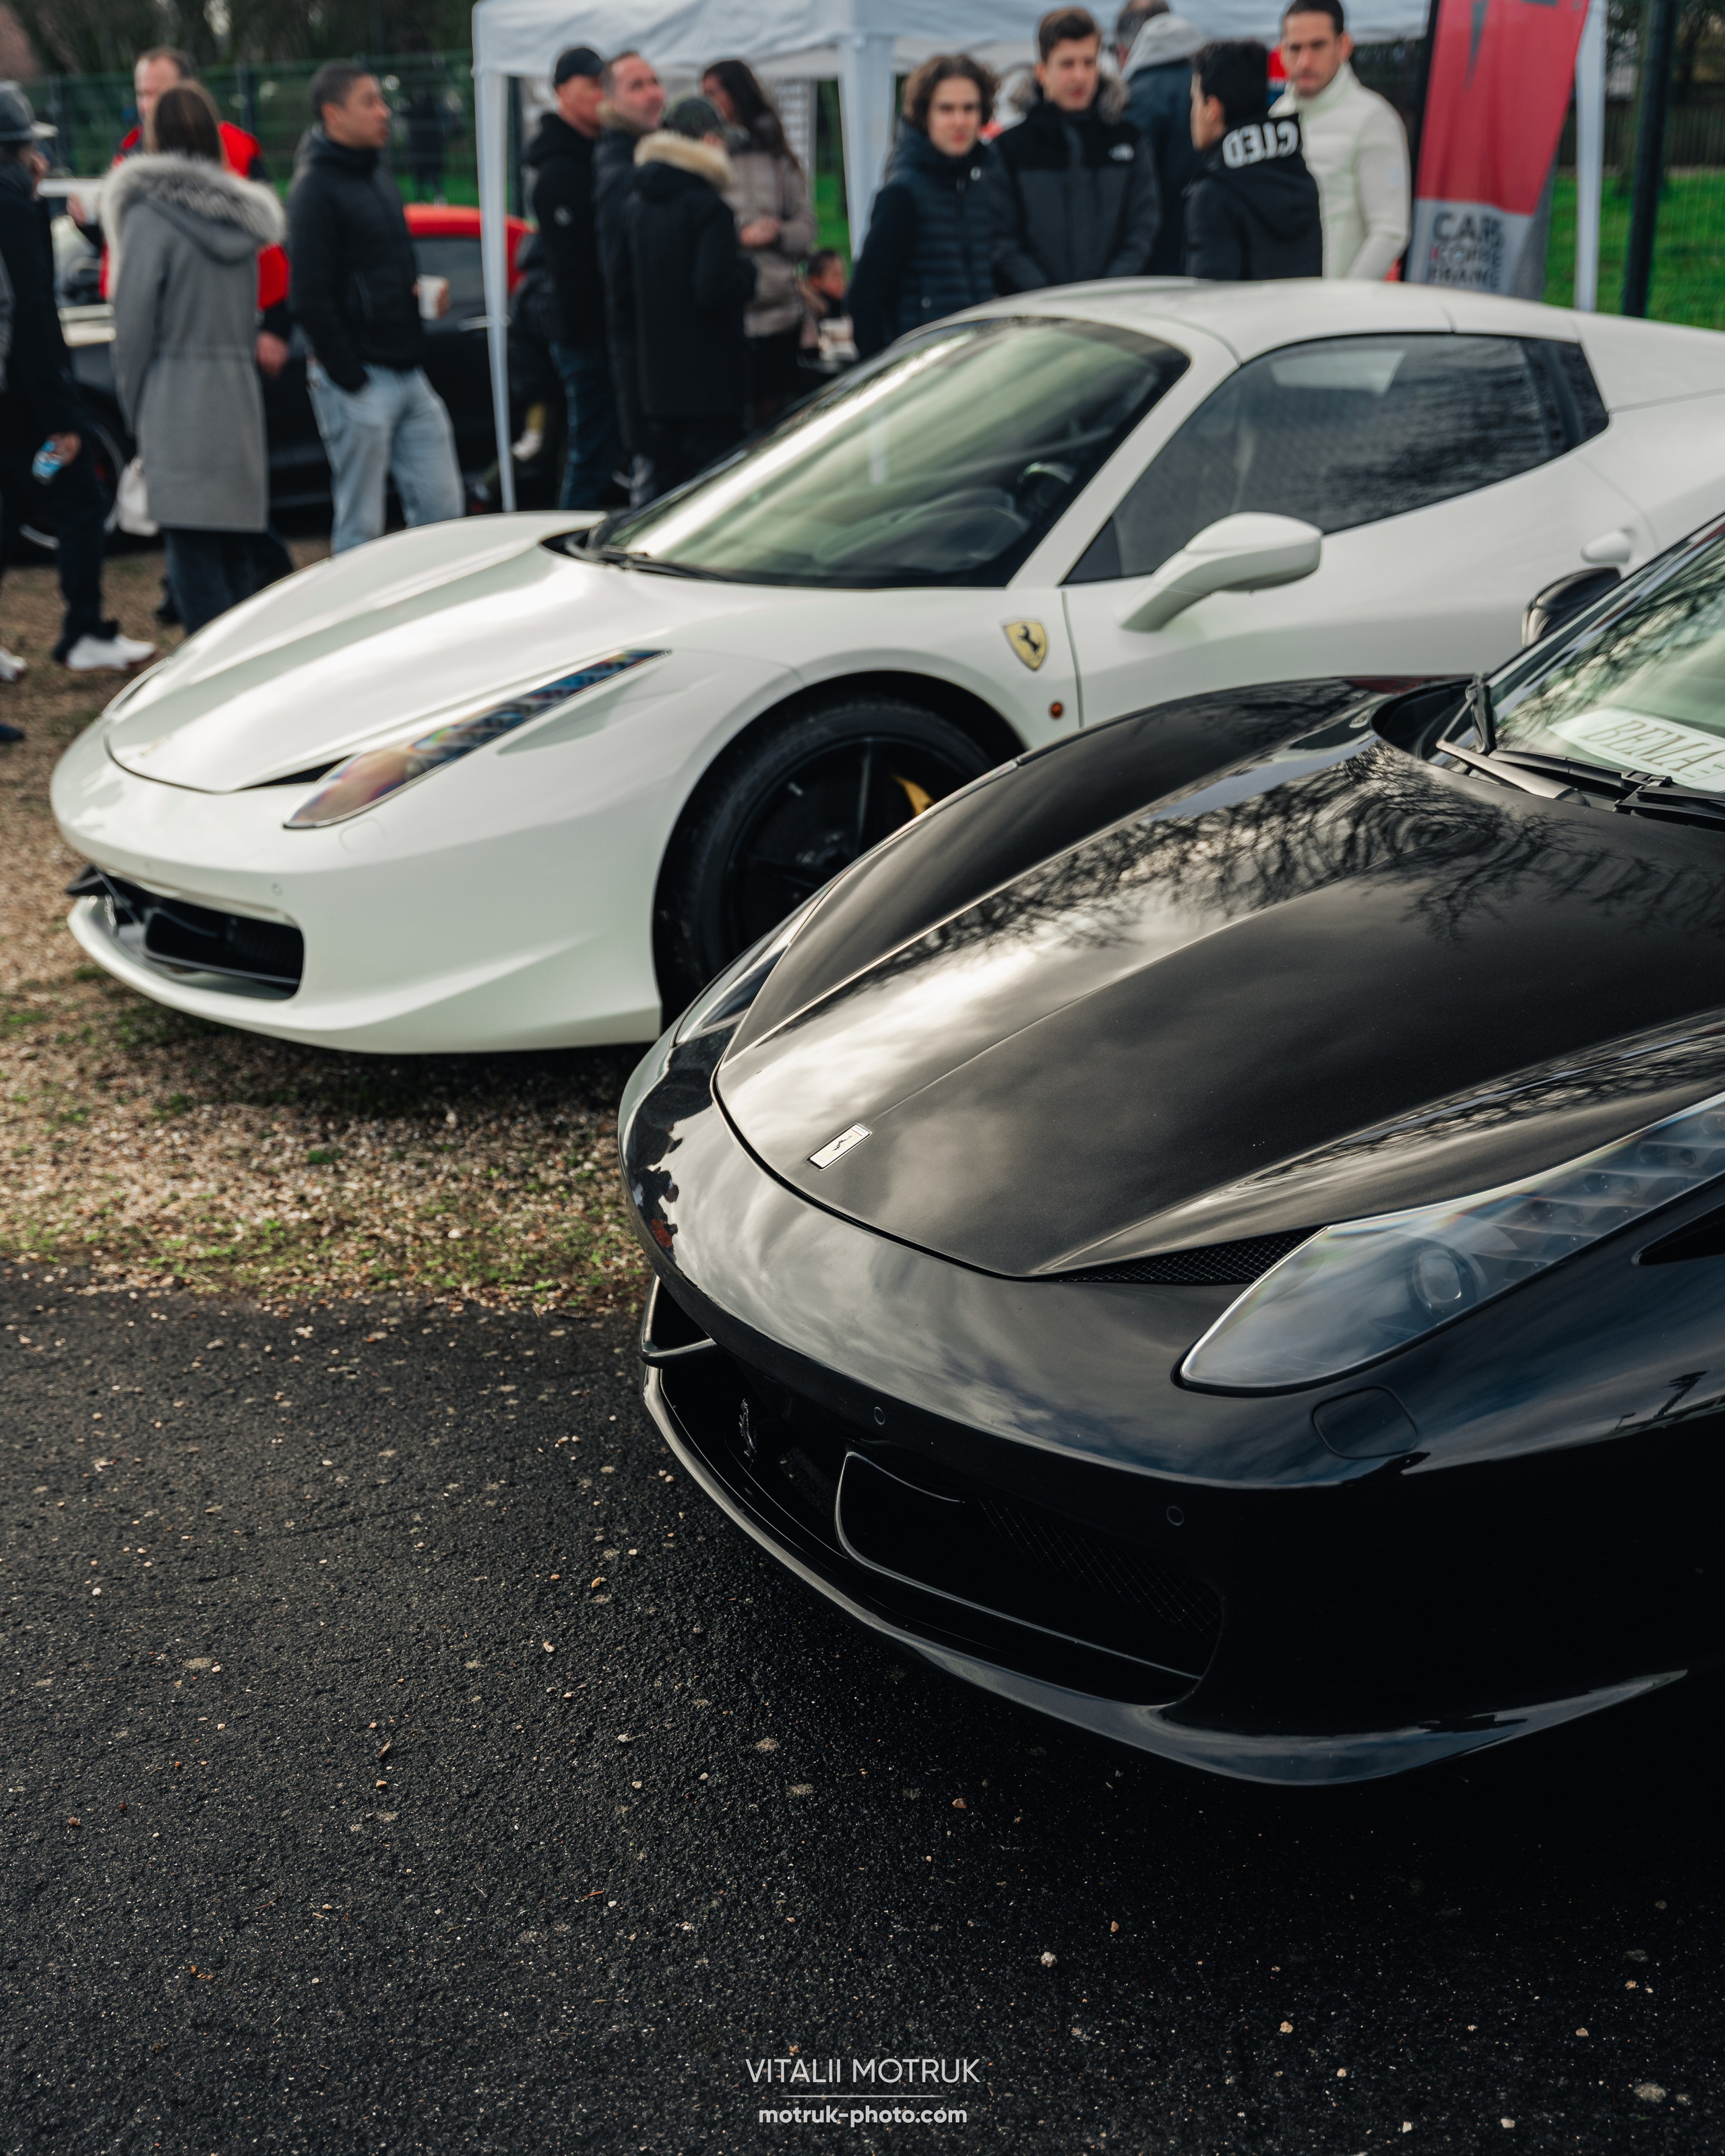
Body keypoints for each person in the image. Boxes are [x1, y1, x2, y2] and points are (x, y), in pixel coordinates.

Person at [107, 83, 284, 635]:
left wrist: (133, 410)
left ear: (155, 139)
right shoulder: (243, 223)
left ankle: (209, 691)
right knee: (234, 556)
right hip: (236, 400)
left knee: (191, 561)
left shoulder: (147, 217)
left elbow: (133, 327)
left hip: (174, 399)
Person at [0, 84, 154, 678]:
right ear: (18, 149)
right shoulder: (14, 208)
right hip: (30, 407)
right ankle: (84, 631)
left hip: (11, 404)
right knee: (80, 498)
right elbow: (33, 314)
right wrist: (63, 420)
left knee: (12, 506)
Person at [288, 63, 464, 554]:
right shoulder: (313, 191)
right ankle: (357, 624)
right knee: (361, 526)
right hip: (359, 379)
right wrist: (350, 376)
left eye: (382, 101)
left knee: (443, 509)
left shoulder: (379, 177)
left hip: (409, 372)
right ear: (333, 114)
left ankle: (431, 615)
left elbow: (380, 270)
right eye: (369, 102)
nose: (384, 112)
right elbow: (308, 294)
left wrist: (416, 293)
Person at [610, 96, 755, 499]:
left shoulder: (635, 205)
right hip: (710, 386)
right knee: (712, 495)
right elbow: (713, 287)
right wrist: (747, 273)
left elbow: (620, 296)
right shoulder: (709, 208)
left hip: (654, 387)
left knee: (667, 500)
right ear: (709, 141)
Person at [988, 7, 1161, 293]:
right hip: (1031, 312)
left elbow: (1143, 228)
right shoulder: (1009, 149)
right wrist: (1045, 295)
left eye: (1088, 63)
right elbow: (1001, 238)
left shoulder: (1128, 140)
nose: (1079, 76)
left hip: (1115, 308)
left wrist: (1105, 292)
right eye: (1067, 64)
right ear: (1042, 71)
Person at [848, 55, 997, 360]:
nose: (960, 121)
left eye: (969, 108)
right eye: (946, 109)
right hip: (924, 373)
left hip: (980, 363)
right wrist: (886, 374)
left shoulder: (982, 183)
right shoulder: (904, 191)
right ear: (924, 115)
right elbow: (865, 295)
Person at [525, 45, 618, 510]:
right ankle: (570, 532)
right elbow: (574, 269)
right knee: (591, 451)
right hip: (583, 335)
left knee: (599, 446)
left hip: (598, 330)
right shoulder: (559, 169)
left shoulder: (596, 153)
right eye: (591, 85)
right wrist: (598, 337)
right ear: (562, 91)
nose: (602, 96)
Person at [700, 60, 815, 427]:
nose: (709, 102)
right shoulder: (704, 158)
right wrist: (738, 237)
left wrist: (777, 234)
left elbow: (807, 228)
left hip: (781, 312)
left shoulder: (778, 158)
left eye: (713, 93)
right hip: (731, 314)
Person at [1272, 0, 1410, 279]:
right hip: (1280, 303)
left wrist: (1343, 300)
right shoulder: (1277, 115)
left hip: (1338, 311)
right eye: (1295, 48)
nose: (1305, 61)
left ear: (1344, 46)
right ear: (1282, 51)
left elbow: (1390, 231)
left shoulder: (1373, 118)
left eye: (1317, 46)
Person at [594, 50, 667, 503]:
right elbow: (623, 279)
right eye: (636, 86)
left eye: (654, 81)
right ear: (612, 101)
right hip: (647, 355)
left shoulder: (644, 155)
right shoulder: (622, 170)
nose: (652, 93)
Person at [1185, 40, 1322, 282]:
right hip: (1301, 318)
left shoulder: (1213, 193)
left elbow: (1208, 300)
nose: (1192, 113)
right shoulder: (1299, 173)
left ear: (1212, 108)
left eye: (1195, 100)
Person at [1117, 0, 1207, 274]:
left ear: (1124, 51)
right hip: (1210, 248)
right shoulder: (1212, 82)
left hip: (1151, 261)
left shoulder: (1131, 98)